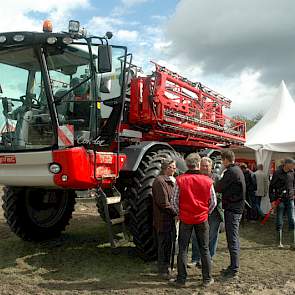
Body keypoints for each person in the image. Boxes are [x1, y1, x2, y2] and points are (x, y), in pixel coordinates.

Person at [170, 153, 216, 287]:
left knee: (183, 249)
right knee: (205, 249)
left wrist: (180, 213)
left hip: (186, 219)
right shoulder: (208, 181)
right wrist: (205, 213)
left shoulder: (180, 179)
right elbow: (213, 202)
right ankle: (207, 279)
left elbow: (173, 201)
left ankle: (181, 279)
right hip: (202, 218)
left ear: (186, 164)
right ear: (198, 164)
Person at [216, 150, 246, 279]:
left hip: (233, 209)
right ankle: (233, 266)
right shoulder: (237, 170)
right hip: (236, 208)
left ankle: (234, 269)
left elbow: (218, 187)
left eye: (222, 160)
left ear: (226, 159)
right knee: (233, 239)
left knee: (232, 240)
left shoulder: (231, 172)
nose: (222, 163)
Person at [191, 157, 224, 267]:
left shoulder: (217, 178)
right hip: (198, 211)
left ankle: (208, 258)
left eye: (207, 166)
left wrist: (208, 202)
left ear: (211, 167)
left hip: (213, 212)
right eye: (203, 165)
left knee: (212, 236)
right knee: (195, 235)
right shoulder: (195, 178)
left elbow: (220, 195)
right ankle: (196, 258)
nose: (205, 168)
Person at [152, 158, 177, 279]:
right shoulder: (160, 182)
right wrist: (176, 212)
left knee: (169, 244)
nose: (175, 169)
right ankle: (163, 270)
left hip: (169, 219)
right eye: (173, 166)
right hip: (163, 220)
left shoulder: (169, 181)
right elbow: (164, 203)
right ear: (167, 168)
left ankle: (167, 267)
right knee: (164, 245)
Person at [269, 158, 295, 248]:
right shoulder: (277, 173)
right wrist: (272, 200)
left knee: (292, 220)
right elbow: (271, 188)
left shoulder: (293, 172)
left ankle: (293, 243)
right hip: (280, 200)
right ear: (287, 164)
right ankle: (278, 242)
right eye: (293, 164)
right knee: (279, 221)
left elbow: (294, 185)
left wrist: (293, 193)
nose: (294, 166)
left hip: (290, 199)